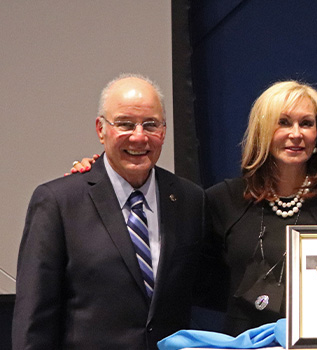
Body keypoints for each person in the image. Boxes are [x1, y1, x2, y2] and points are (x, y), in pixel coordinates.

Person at [12, 74, 205, 350]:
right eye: (125, 124)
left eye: (150, 124)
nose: (139, 136)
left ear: (163, 131)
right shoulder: (58, 202)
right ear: (101, 129)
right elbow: (34, 319)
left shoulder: (189, 199)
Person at [204, 81, 317, 334]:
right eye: (283, 122)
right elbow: (204, 283)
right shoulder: (223, 200)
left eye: (306, 123)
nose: (296, 134)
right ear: (262, 131)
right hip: (242, 342)